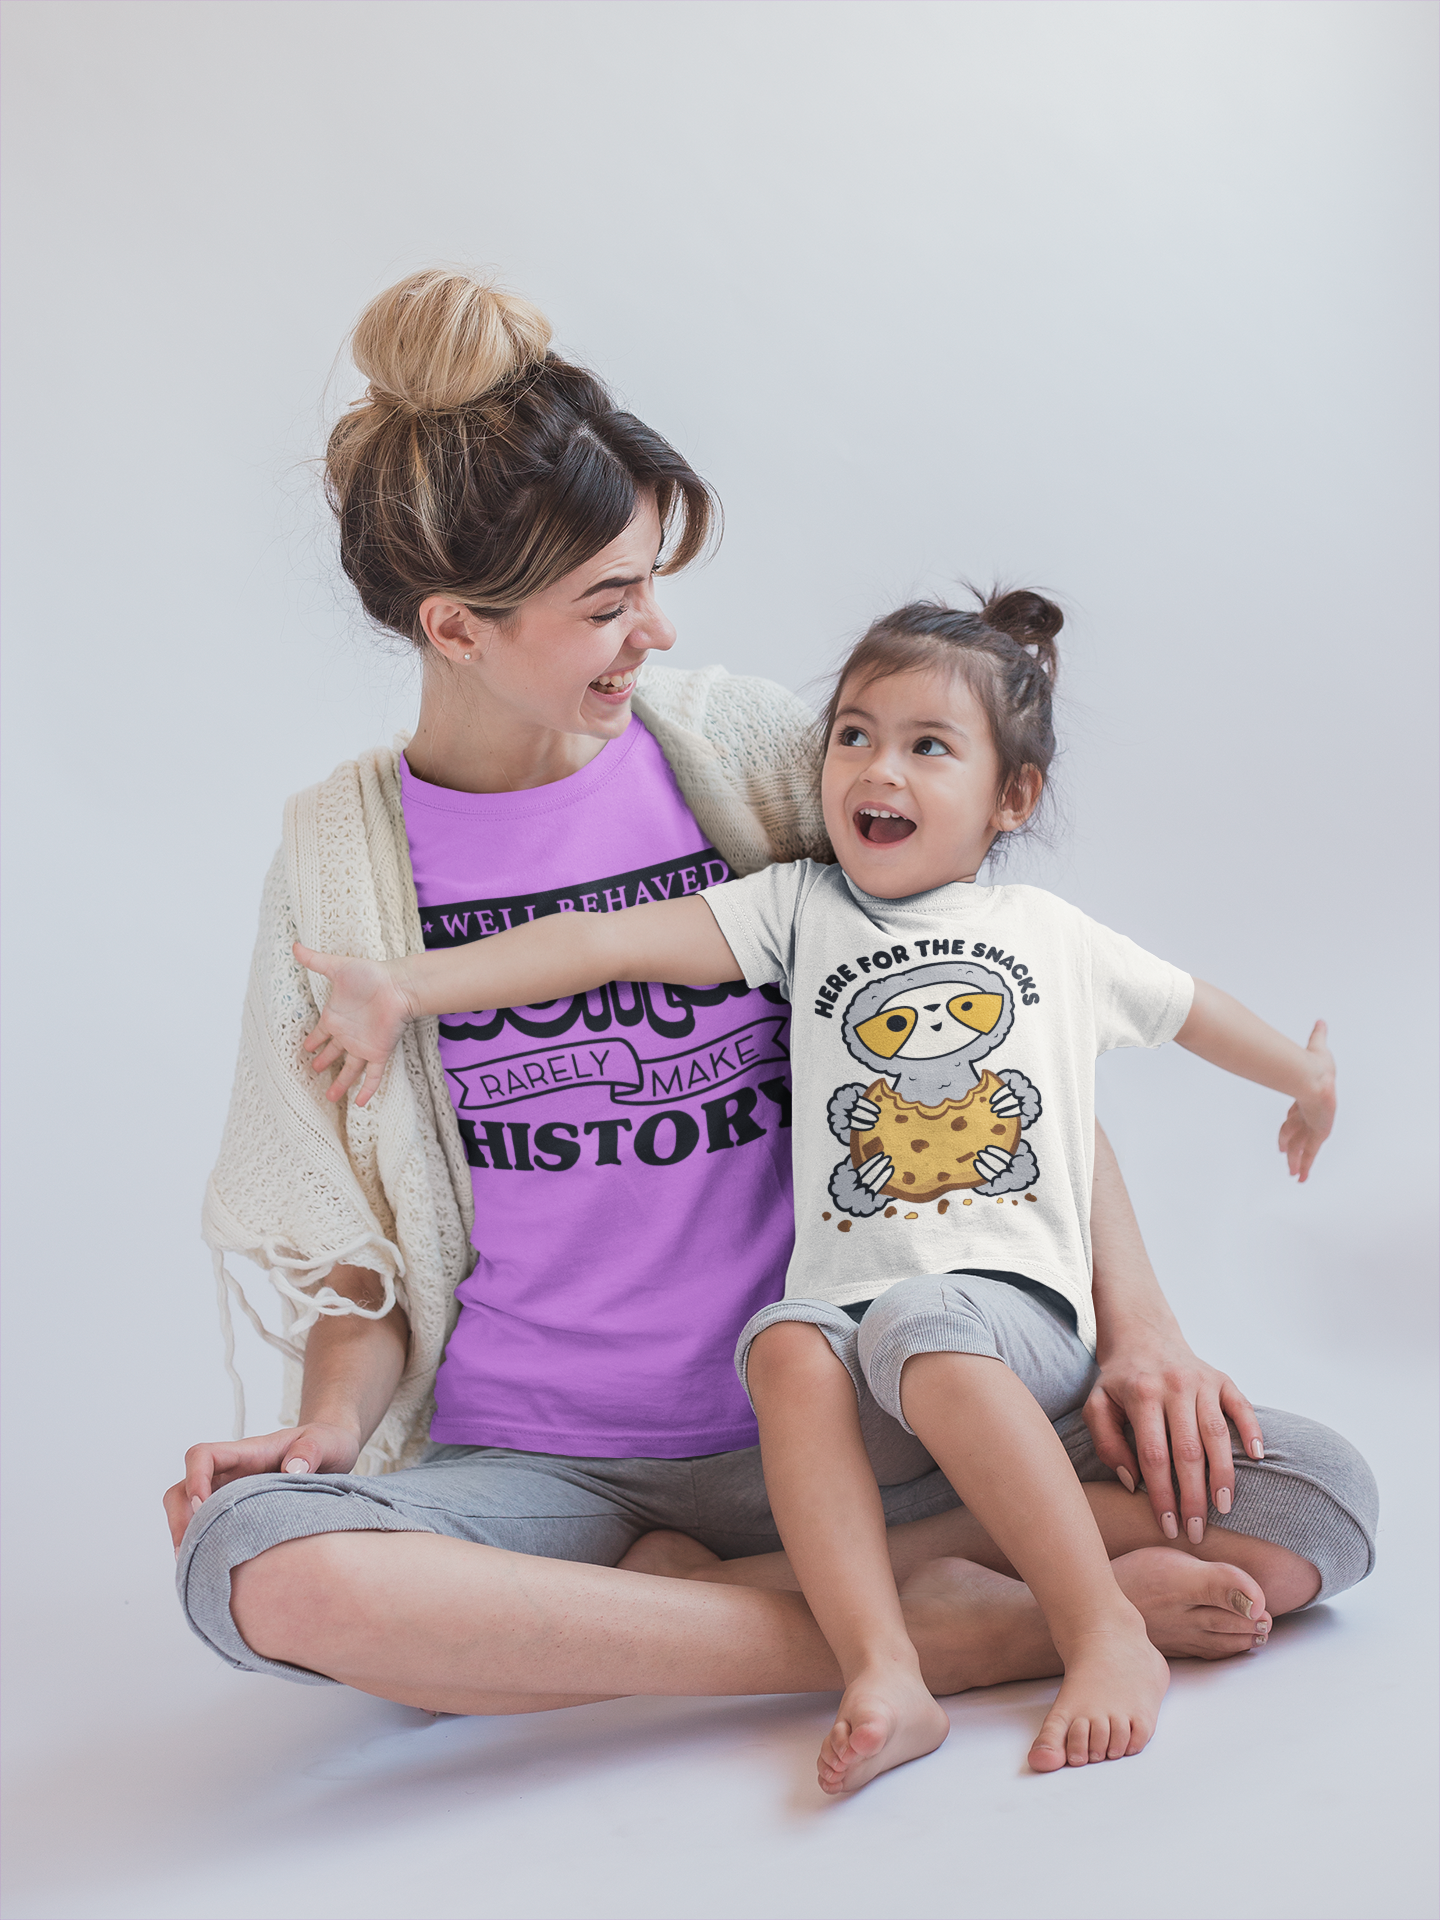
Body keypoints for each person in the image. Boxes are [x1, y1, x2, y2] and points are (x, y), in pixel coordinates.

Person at [169, 267, 1377, 1740]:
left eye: (650, 584)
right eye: (609, 603)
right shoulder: (337, 867)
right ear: (458, 628)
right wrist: (326, 1432)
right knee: (257, 1566)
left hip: (851, 1407)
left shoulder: (741, 755)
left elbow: (993, 1019)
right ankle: (932, 1633)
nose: (656, 631)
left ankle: (665, 1618)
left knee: (1308, 1504)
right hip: (545, 1469)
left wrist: (1142, 1329)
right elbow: (355, 1256)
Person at [293, 587, 1340, 1790]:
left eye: (928, 747)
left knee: (966, 1341)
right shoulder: (798, 908)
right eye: (853, 734)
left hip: (1008, 1318)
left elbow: (1195, 1012)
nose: (877, 768)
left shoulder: (1047, 932)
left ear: (1012, 799)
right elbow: (602, 943)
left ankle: (1100, 1631)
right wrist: (407, 986)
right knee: (785, 1346)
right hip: (853, 1325)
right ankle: (888, 1663)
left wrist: (1304, 1078)